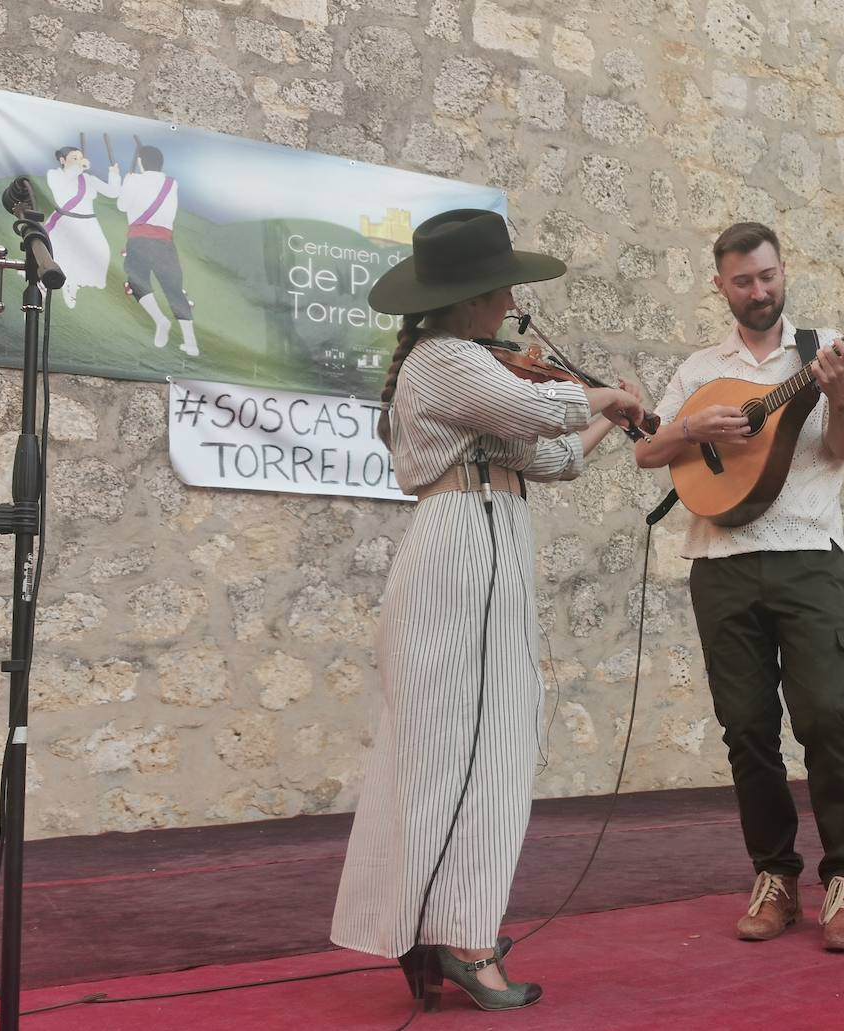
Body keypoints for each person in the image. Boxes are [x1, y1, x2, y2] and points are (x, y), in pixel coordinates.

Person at [330, 209, 645, 1011]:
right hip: (457, 554)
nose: (510, 300)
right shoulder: (441, 362)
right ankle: (456, 935)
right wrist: (601, 391)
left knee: (496, 742)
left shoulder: (474, 375)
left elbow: (554, 456)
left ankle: (454, 919)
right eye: (500, 286)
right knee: (462, 747)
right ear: (469, 296)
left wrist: (611, 413)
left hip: (492, 549)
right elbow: (541, 410)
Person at [633, 221, 844, 950]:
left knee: (826, 714)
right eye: (743, 280)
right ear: (722, 286)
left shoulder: (828, 349)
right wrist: (692, 425)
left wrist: (837, 399)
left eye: (768, 276)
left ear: (783, 271)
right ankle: (775, 876)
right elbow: (649, 450)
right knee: (746, 728)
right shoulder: (700, 367)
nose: (760, 290)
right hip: (720, 561)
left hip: (807, 552)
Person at [116, 144, 198, 356]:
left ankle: (160, 320)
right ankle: (191, 343)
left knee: (136, 281)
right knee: (174, 289)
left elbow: (122, 206)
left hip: (139, 239)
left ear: (141, 161)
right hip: (165, 242)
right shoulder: (172, 183)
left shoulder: (134, 179)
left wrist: (126, 181)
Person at [44, 144, 120, 308]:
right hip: (66, 222)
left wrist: (114, 175)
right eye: (74, 158)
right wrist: (79, 168)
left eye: (80, 158)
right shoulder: (55, 175)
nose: (79, 161)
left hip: (89, 223)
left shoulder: (87, 179)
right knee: (56, 256)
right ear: (63, 160)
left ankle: (73, 285)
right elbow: (61, 188)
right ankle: (41, 289)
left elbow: (112, 192)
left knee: (101, 253)